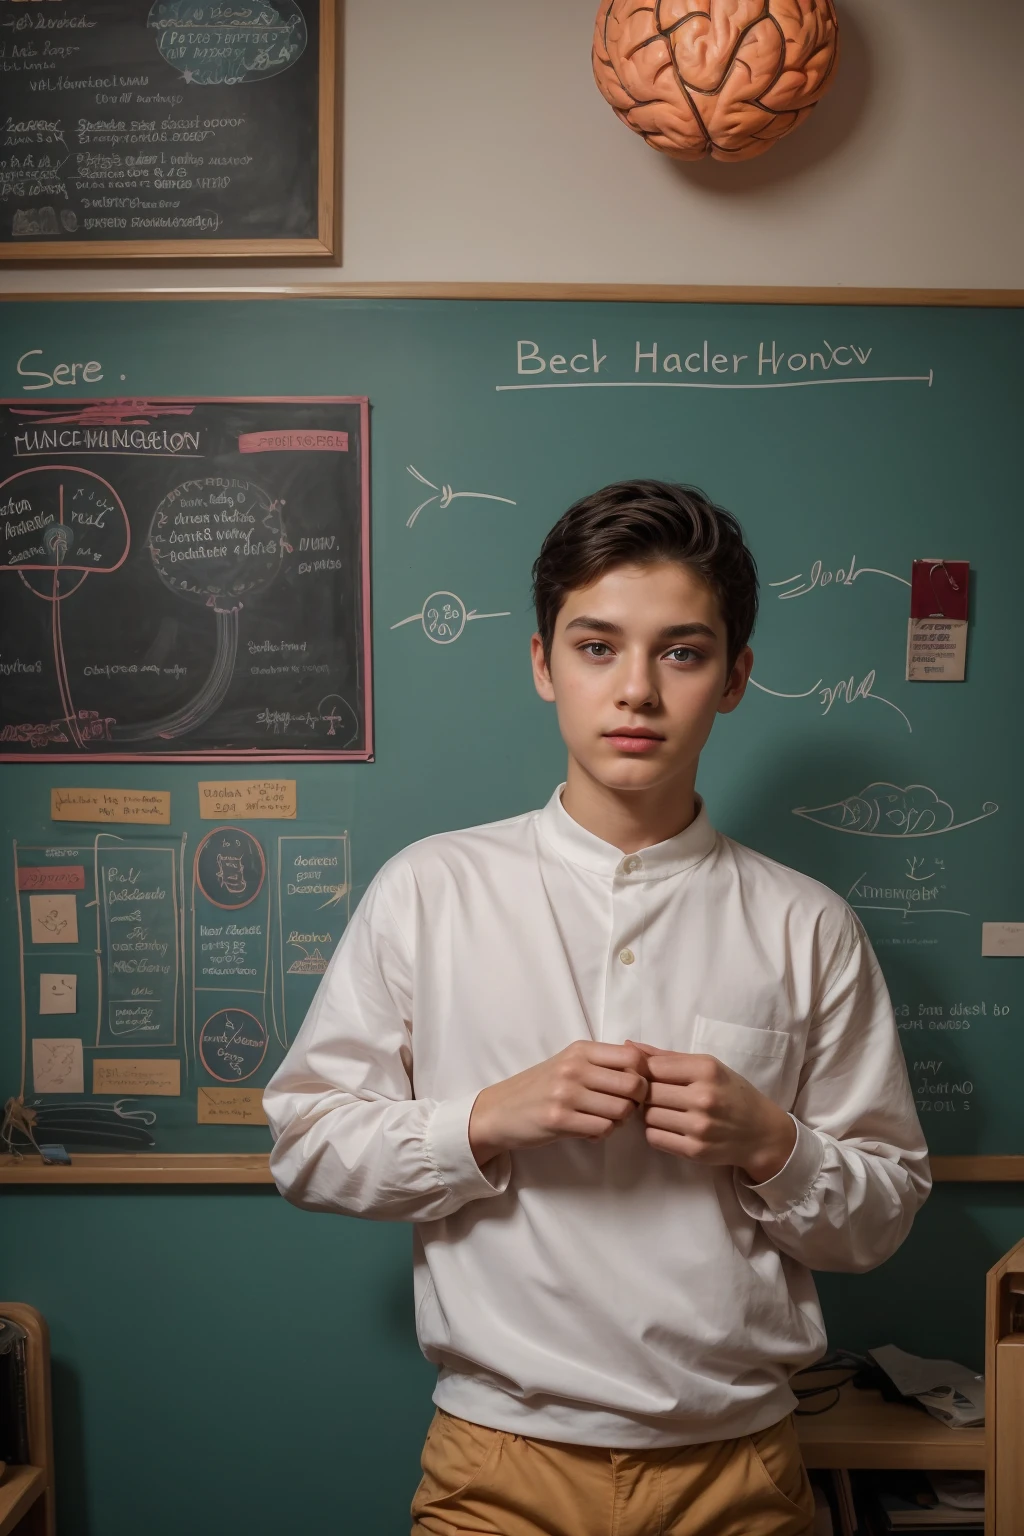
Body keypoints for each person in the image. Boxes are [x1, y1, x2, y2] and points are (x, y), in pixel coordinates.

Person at [263, 480, 931, 1536]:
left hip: (738, 1473)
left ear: (734, 679)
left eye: (680, 652)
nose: (635, 692)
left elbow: (883, 1214)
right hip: (494, 1470)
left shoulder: (809, 925)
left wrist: (770, 1142)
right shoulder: (429, 891)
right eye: (594, 647)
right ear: (541, 664)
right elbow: (304, 1144)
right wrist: (485, 1119)